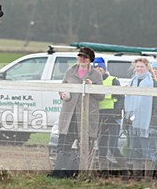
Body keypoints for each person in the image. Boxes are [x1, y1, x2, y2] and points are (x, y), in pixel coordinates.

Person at [49, 46, 104, 179]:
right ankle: (58, 173)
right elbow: (62, 87)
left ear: (90, 60)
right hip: (69, 114)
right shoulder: (70, 71)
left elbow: (101, 96)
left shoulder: (96, 75)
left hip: (86, 116)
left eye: (85, 57)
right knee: (63, 145)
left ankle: (77, 174)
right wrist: (62, 93)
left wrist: (92, 87)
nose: (82, 59)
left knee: (84, 146)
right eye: (80, 56)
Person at [124, 57, 157, 179]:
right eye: (137, 66)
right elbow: (129, 104)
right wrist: (127, 122)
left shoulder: (153, 83)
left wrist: (153, 125)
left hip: (148, 124)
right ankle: (136, 178)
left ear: (147, 68)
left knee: (149, 153)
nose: (139, 69)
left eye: (142, 67)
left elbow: (156, 106)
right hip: (134, 124)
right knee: (135, 152)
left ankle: (148, 179)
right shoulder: (132, 82)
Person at [92, 57, 125, 174]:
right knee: (101, 146)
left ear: (104, 68)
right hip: (100, 116)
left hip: (113, 117)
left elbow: (121, 98)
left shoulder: (113, 80)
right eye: (95, 68)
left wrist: (116, 112)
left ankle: (125, 169)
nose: (98, 69)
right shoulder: (93, 81)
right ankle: (103, 171)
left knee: (113, 146)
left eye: (100, 67)